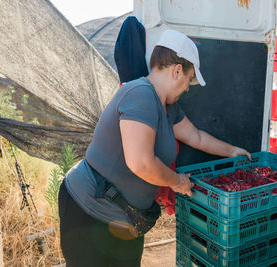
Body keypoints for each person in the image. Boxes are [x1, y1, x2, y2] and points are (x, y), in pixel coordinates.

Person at [58, 29, 251, 267]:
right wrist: (177, 181)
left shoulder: (168, 107)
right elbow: (140, 162)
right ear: (177, 70)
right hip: (89, 212)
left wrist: (232, 151)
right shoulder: (140, 94)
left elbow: (196, 137)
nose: (188, 88)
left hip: (126, 220)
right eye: (190, 79)